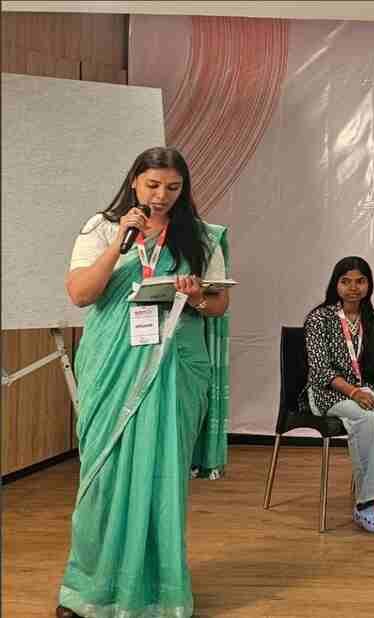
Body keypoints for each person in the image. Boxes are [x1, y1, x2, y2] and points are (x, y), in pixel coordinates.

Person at [58, 147, 230, 618]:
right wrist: (121, 242)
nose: (162, 196)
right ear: (134, 181)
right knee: (103, 476)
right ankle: (86, 592)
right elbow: (80, 294)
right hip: (111, 366)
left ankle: (160, 593)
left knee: (161, 478)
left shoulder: (199, 236)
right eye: (153, 185)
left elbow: (218, 305)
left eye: (173, 188)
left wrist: (196, 296)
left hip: (174, 367)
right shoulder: (100, 228)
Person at [304, 257, 374, 533]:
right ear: (336, 284)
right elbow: (320, 370)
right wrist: (353, 392)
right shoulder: (320, 318)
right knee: (366, 419)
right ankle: (367, 503)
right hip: (331, 393)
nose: (354, 287)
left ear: (369, 285)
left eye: (360, 281)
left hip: (371, 391)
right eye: (346, 281)